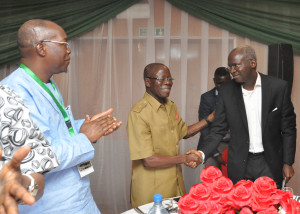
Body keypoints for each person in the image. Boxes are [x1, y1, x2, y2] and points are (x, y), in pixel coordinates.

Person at [2, 19, 122, 214]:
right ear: (41, 48)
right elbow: (34, 158)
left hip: (77, 196)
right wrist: (85, 137)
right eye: (64, 44)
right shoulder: (13, 93)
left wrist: (86, 125)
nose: (69, 50)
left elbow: (53, 131)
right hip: (53, 207)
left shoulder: (46, 83)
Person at [194, 45, 296, 188]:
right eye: (230, 67)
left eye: (236, 65)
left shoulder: (278, 88)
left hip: (270, 163)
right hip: (240, 164)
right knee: (241, 208)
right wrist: (201, 153)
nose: (232, 70)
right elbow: (218, 129)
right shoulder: (226, 91)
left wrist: (287, 162)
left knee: (270, 207)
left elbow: (289, 129)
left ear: (252, 63)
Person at [126, 63, 214, 207]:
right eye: (162, 78)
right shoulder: (139, 114)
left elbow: (184, 132)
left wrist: (210, 118)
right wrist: (184, 158)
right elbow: (148, 160)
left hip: (175, 185)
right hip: (151, 191)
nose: (168, 82)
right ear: (147, 82)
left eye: (170, 78)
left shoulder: (170, 106)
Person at [197, 67, 231, 169]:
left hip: (234, 144)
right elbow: (204, 128)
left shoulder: (238, 96)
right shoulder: (207, 98)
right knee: (211, 172)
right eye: (219, 83)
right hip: (214, 144)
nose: (222, 87)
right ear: (214, 81)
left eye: (226, 83)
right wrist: (216, 154)